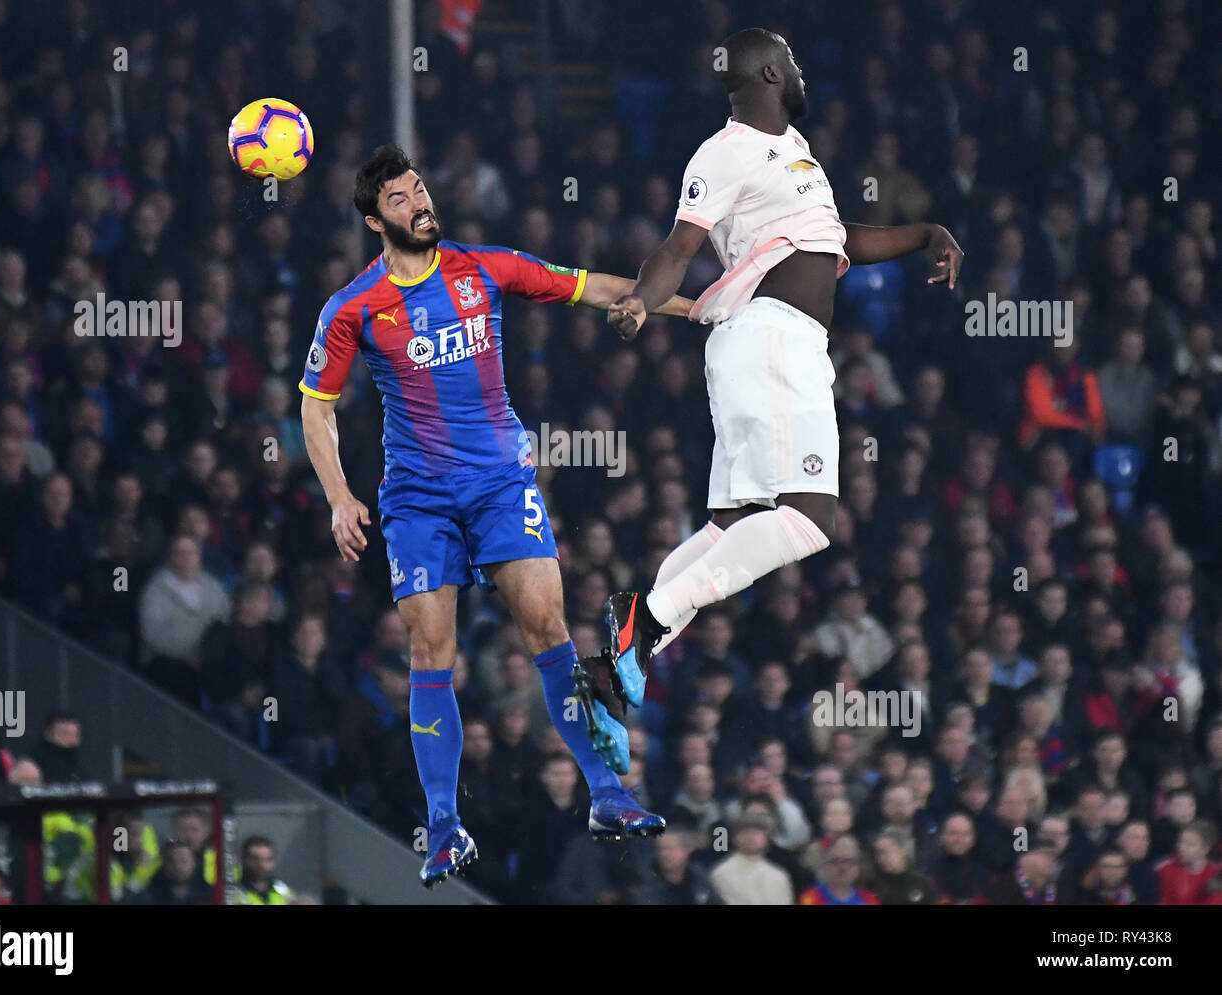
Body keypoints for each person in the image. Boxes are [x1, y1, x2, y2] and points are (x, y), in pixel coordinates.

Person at [298, 145, 693, 887]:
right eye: (400, 198)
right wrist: (339, 495)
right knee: (430, 652)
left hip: (500, 485)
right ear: (373, 219)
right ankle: (444, 827)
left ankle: (606, 792)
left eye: (420, 188)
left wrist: (687, 304)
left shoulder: (486, 268)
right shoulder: (353, 306)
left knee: (548, 626)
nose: (419, 203)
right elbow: (315, 408)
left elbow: (592, 286)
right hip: (416, 499)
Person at [600, 28, 963, 726]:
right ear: (770, 72)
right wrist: (642, 303)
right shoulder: (724, 150)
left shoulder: (795, 154)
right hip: (769, 338)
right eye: (792, 61)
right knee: (808, 517)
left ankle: (629, 657)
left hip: (766, 348)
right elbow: (681, 246)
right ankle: (645, 621)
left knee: (731, 525)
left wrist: (925, 233)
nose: (801, 70)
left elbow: (837, 238)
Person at [233, 836, 293, 905]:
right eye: (256, 859)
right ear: (243, 859)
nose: (262, 865)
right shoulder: (231, 891)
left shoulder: (283, 893)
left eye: (268, 859)